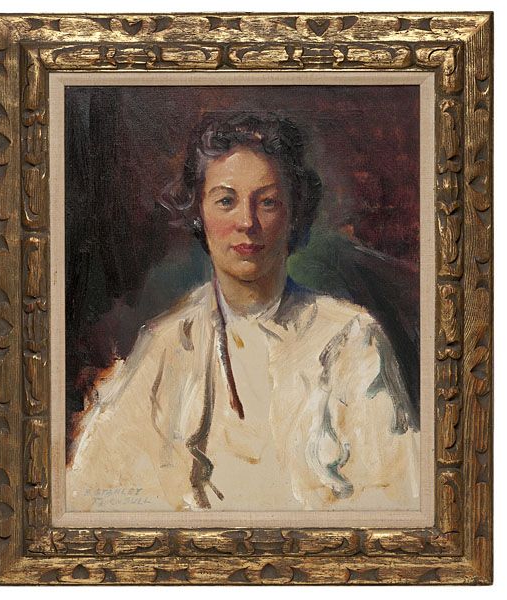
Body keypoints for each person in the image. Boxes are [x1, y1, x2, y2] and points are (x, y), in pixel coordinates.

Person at [66, 112, 420, 512]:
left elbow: (395, 496)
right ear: (199, 212)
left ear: (292, 214)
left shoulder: (350, 339)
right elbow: (87, 491)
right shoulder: (167, 343)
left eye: (267, 202)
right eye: (226, 201)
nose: (247, 222)